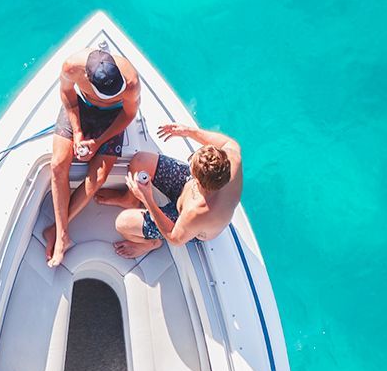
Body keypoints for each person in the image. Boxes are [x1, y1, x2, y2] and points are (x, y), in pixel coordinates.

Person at [44, 44, 141, 268]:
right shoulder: (71, 67)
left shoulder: (131, 82)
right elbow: (67, 95)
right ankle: (62, 236)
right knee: (58, 164)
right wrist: (78, 133)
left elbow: (128, 115)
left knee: (98, 176)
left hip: (113, 117)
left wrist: (98, 142)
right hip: (81, 108)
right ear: (87, 76)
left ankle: (58, 231)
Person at [96, 122, 243, 261]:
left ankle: (151, 244)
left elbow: (174, 237)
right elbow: (227, 143)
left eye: (191, 162)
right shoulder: (232, 158)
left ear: (198, 180)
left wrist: (147, 199)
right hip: (188, 189)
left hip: (184, 224)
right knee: (140, 160)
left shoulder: (198, 211)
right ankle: (130, 200)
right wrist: (189, 131)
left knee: (123, 223)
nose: (190, 160)